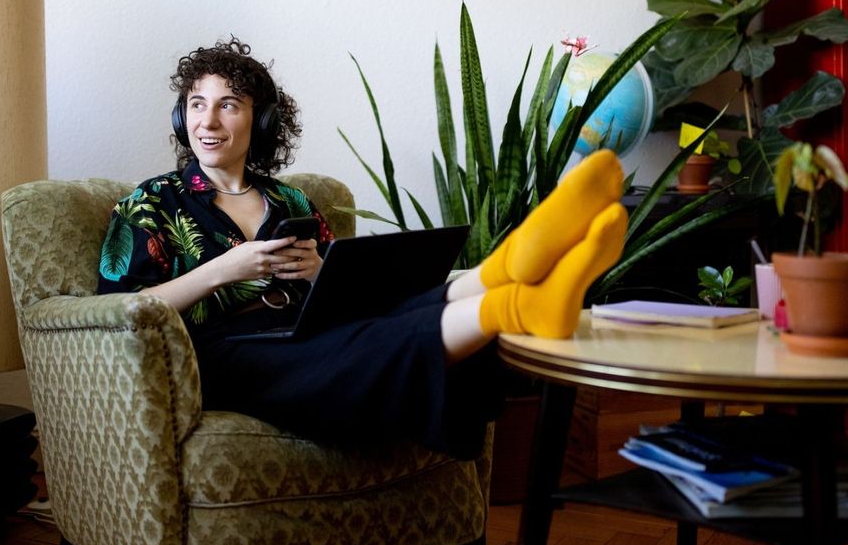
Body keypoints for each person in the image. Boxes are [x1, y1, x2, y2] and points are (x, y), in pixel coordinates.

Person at [97, 37, 628, 458]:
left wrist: (315, 274)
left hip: (307, 329)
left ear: (258, 122)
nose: (207, 122)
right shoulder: (151, 203)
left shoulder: (291, 198)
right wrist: (223, 270)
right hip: (223, 354)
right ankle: (508, 302)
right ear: (181, 116)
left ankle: (502, 272)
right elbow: (115, 311)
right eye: (196, 105)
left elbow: (346, 292)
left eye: (228, 105)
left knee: (384, 315)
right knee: (362, 345)